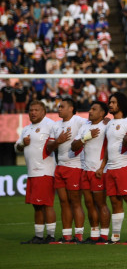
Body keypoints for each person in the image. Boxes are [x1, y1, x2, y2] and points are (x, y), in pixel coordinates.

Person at [16, 100, 57, 244]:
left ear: (43, 112)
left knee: (46, 204)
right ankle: (39, 236)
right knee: (36, 205)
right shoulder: (26, 129)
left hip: (44, 171)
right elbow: (17, 147)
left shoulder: (50, 125)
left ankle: (50, 236)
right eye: (31, 110)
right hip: (32, 172)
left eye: (36, 110)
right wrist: (22, 144)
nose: (32, 112)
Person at [103, 92, 127, 243]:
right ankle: (115, 236)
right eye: (110, 102)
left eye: (113, 102)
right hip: (111, 168)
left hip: (124, 166)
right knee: (115, 202)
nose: (110, 105)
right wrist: (103, 166)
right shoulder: (109, 124)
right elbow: (108, 148)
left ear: (120, 105)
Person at [48, 97, 86, 243]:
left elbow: (97, 124)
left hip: (75, 166)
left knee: (75, 201)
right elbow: (49, 147)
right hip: (60, 166)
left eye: (62, 106)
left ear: (71, 108)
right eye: (58, 107)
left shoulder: (79, 121)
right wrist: (58, 141)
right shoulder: (56, 126)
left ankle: (79, 235)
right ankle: (66, 235)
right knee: (63, 202)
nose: (58, 109)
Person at [71, 101, 110, 243]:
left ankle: (104, 236)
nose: (90, 111)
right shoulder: (85, 126)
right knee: (89, 203)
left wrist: (102, 167)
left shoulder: (107, 125)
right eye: (90, 108)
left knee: (101, 203)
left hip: (99, 170)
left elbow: (109, 149)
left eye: (94, 109)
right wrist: (86, 137)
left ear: (102, 113)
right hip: (86, 170)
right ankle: (94, 235)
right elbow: (74, 146)